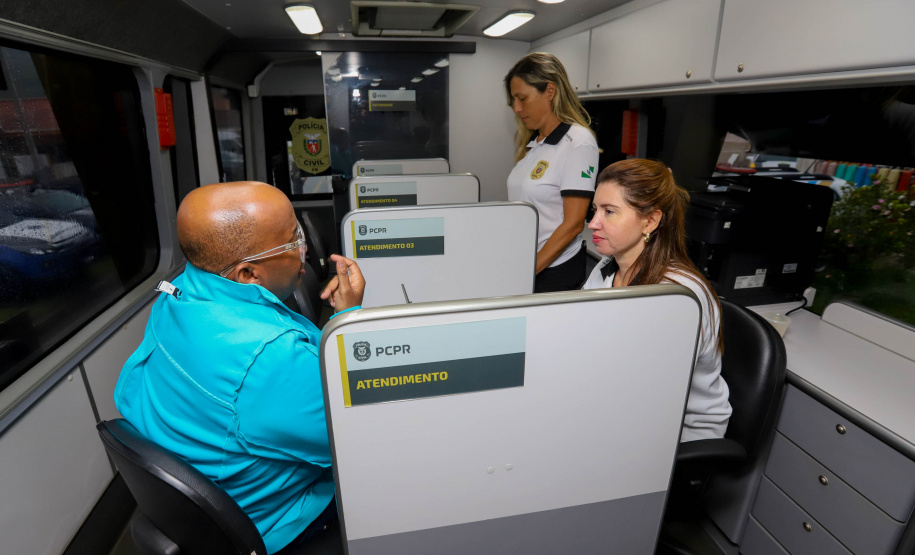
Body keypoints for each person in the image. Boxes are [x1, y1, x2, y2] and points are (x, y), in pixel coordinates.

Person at [114, 181, 365, 554]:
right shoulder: (269, 358)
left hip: (214, 488)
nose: (305, 248)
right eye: (293, 240)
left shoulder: (178, 294)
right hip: (277, 521)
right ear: (247, 274)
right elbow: (357, 439)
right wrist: (350, 320)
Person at [583, 159, 731, 442]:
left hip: (678, 433)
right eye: (595, 210)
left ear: (650, 221)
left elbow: (647, 394)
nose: (593, 223)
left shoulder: (677, 296)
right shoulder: (606, 269)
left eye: (609, 212)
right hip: (624, 410)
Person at [504, 52, 599, 292]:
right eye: (513, 100)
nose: (516, 108)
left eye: (522, 98)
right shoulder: (536, 144)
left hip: (553, 271)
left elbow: (574, 224)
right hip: (527, 263)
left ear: (549, 91)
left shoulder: (578, 142)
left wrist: (528, 270)